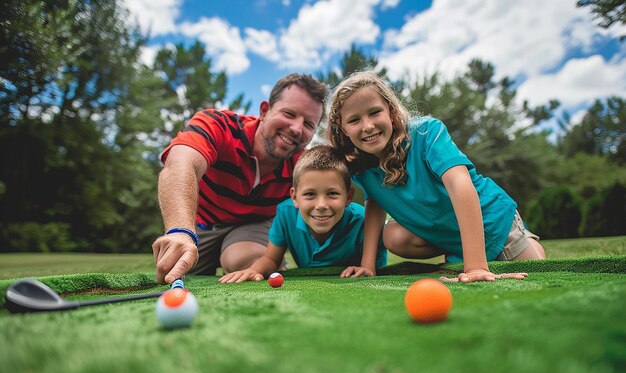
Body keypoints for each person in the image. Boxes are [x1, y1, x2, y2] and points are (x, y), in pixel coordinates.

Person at [326, 71, 546, 283]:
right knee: (393, 235)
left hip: (492, 222)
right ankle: (459, 253)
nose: (367, 126)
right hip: (454, 238)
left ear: (391, 112)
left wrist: (476, 266)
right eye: (354, 120)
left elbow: (459, 183)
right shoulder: (358, 165)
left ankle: (525, 239)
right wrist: (368, 265)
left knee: (534, 272)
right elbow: (375, 201)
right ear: (343, 128)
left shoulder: (426, 132)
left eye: (374, 112)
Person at [152, 74, 328, 284]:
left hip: (254, 227)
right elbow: (179, 164)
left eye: (308, 124)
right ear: (264, 111)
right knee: (180, 266)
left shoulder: (304, 164)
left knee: (244, 260)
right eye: (289, 114)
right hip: (201, 224)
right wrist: (180, 231)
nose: (297, 129)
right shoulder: (218, 125)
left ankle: (273, 261)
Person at [218, 145, 388, 283]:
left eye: (332, 194)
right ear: (294, 197)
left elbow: (376, 268)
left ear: (348, 197)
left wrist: (366, 267)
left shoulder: (364, 221)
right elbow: (271, 260)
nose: (321, 205)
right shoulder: (285, 214)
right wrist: (254, 270)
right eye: (310, 194)